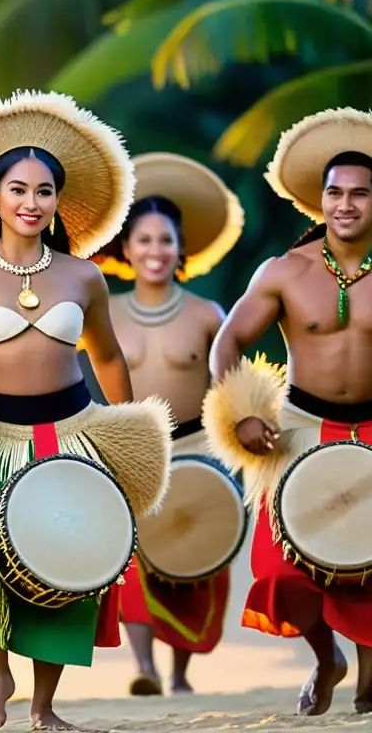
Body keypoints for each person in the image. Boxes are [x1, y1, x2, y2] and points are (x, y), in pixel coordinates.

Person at [0, 90, 174, 731]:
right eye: (18, 189)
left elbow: (108, 358)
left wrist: (126, 433)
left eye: (44, 192)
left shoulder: (82, 276)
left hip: (71, 433)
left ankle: (44, 707)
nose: (31, 202)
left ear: (56, 202)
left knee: (71, 562)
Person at [202, 107, 372, 716]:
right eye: (334, 193)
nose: (344, 205)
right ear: (320, 202)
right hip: (299, 428)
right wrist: (240, 412)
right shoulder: (283, 272)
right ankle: (325, 657)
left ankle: (365, 699)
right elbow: (227, 342)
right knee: (277, 565)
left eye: (358, 194)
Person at [93, 152, 244, 695]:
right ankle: (145, 667)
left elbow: (235, 387)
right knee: (131, 556)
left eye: (165, 240)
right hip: (133, 448)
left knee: (195, 557)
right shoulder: (101, 311)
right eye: (144, 240)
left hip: (200, 446)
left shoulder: (208, 314)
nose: (155, 251)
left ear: (181, 249)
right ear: (126, 248)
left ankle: (179, 673)